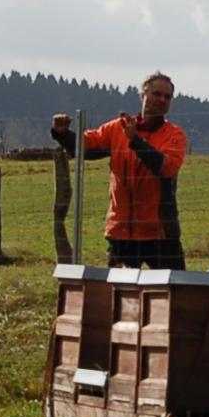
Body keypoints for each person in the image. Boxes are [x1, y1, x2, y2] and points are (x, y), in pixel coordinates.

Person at [51, 71, 189, 270]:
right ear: (142, 96)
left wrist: (135, 141)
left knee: (174, 295)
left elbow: (166, 167)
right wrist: (63, 134)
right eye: (156, 94)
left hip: (161, 233)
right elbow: (85, 146)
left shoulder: (174, 135)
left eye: (167, 97)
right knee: (120, 297)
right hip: (121, 233)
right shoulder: (117, 128)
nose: (162, 100)